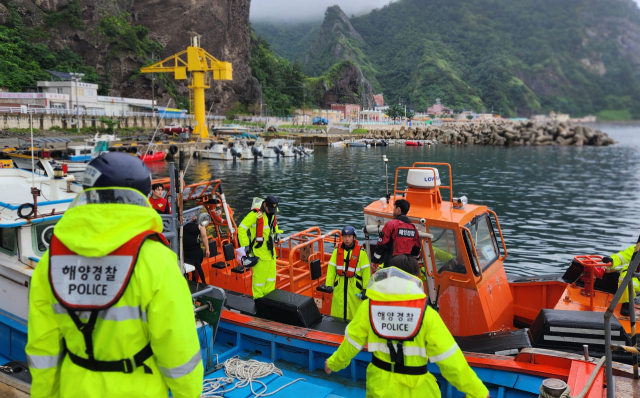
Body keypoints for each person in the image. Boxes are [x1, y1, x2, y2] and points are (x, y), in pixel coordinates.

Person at [26, 152, 203, 398]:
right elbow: (179, 350)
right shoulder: (157, 261)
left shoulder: (51, 261)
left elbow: (42, 350)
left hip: (74, 387)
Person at [324, 255, 489, 398]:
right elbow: (451, 359)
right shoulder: (427, 314)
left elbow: (351, 344)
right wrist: (478, 391)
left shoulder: (369, 308)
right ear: (415, 278)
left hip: (380, 390)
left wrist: (333, 364)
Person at [237, 196, 283, 299]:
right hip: (260, 254)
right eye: (270, 209)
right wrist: (245, 246)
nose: (272, 212)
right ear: (265, 205)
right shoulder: (255, 214)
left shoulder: (272, 212)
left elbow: (274, 226)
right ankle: (258, 301)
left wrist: (277, 234)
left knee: (271, 279)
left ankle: (269, 299)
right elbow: (241, 229)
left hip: (271, 253)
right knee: (259, 282)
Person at [323, 226, 371, 321]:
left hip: (354, 289)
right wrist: (328, 284)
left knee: (355, 313)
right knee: (338, 311)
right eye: (344, 236)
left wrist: (366, 289)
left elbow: (366, 272)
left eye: (349, 236)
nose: (347, 239)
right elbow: (331, 268)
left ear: (354, 237)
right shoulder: (337, 251)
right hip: (339, 287)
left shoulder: (361, 253)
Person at [372, 199, 421, 267]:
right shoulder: (413, 228)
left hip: (392, 263)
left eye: (394, 208)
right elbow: (416, 248)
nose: (393, 210)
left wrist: (374, 260)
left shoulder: (391, 224)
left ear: (398, 209)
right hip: (407, 265)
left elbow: (382, 243)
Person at [602, 236, 640, 316]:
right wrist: (611, 260)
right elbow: (621, 257)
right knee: (625, 277)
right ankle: (627, 303)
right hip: (637, 279)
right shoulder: (635, 249)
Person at [183, 211, 210, 283]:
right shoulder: (182, 223)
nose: (191, 216)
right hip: (185, 251)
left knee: (198, 267)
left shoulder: (199, 224)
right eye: (189, 214)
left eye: (193, 214)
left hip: (195, 250)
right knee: (185, 269)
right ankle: (187, 282)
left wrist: (207, 249)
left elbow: (204, 237)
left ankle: (203, 283)